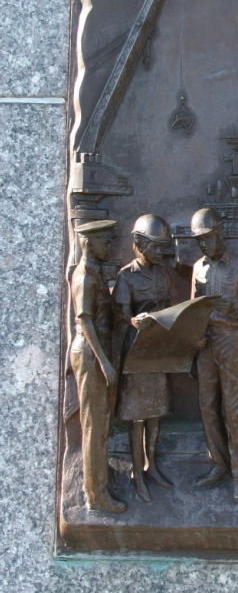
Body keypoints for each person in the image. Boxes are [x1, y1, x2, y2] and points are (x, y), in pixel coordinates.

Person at [189, 207, 238, 503]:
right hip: (204, 342)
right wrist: (194, 338)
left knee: (231, 410)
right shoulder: (198, 268)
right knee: (207, 407)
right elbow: (192, 307)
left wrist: (236, 309)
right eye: (199, 241)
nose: (204, 245)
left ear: (220, 234)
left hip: (231, 339)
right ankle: (217, 465)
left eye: (207, 238)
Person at [113, 214, 174, 502]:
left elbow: (170, 309)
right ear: (138, 244)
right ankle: (137, 474)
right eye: (155, 247)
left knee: (156, 413)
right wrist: (132, 321)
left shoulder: (163, 276)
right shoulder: (127, 276)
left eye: (163, 247)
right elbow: (119, 314)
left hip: (157, 350)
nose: (160, 253)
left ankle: (152, 465)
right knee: (137, 417)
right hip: (136, 350)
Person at [69, 218, 125, 513]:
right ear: (89, 244)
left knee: (101, 422)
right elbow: (85, 321)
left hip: (99, 350)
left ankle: (97, 475)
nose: (110, 247)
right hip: (92, 354)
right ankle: (97, 495)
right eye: (106, 242)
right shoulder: (85, 278)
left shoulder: (96, 273)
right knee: (94, 426)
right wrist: (105, 363)